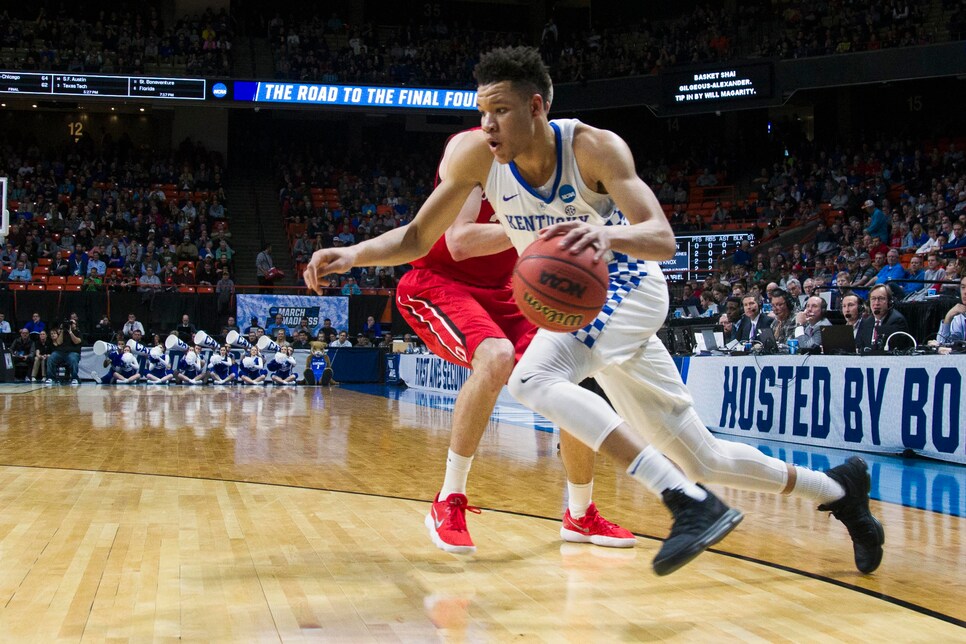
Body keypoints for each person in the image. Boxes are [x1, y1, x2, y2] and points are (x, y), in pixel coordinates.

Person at [305, 46, 883, 576]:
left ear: (536, 106)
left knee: (530, 375)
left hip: (627, 284)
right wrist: (352, 254)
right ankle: (837, 490)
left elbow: (661, 238)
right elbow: (417, 237)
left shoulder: (592, 147)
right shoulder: (474, 156)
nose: (487, 126)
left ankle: (686, 503)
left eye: (500, 112)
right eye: (482, 112)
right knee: (701, 454)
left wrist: (606, 235)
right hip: (584, 308)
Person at [393, 128, 633, 553]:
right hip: (440, 282)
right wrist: (538, 226)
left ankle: (580, 514)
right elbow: (460, 241)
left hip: (511, 291)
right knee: (496, 356)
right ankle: (448, 500)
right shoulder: (473, 150)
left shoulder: (565, 165)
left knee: (565, 378)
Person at [856, 283, 909, 352]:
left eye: (881, 298)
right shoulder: (867, 322)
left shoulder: (896, 321)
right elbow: (860, 346)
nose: (876, 303)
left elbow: (890, 348)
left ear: (889, 302)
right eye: (873, 299)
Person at [47, 318, 83, 384]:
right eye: (70, 323)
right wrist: (62, 331)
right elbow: (58, 342)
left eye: (72, 323)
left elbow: (76, 342)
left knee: (73, 359)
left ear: (75, 325)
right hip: (61, 352)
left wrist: (70, 332)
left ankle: (74, 378)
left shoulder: (78, 332)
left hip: (73, 352)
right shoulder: (63, 332)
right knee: (51, 357)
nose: (70, 324)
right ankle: (51, 378)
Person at [936, 275, 966, 344]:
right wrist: (948, 317)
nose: (965, 292)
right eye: (963, 287)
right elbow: (941, 344)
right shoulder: (959, 317)